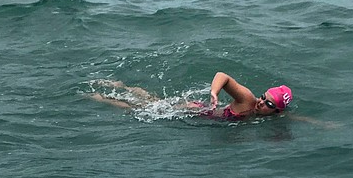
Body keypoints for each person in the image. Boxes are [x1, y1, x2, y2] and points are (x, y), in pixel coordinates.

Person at [88, 71, 293, 121]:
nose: (261, 102)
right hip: (194, 110)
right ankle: (96, 97)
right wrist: (214, 92)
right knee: (140, 108)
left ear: (276, 111)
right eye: (263, 96)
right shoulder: (248, 99)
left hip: (200, 113)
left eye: (268, 103)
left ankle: (120, 86)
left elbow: (293, 118)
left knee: (153, 100)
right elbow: (222, 76)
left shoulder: (269, 116)